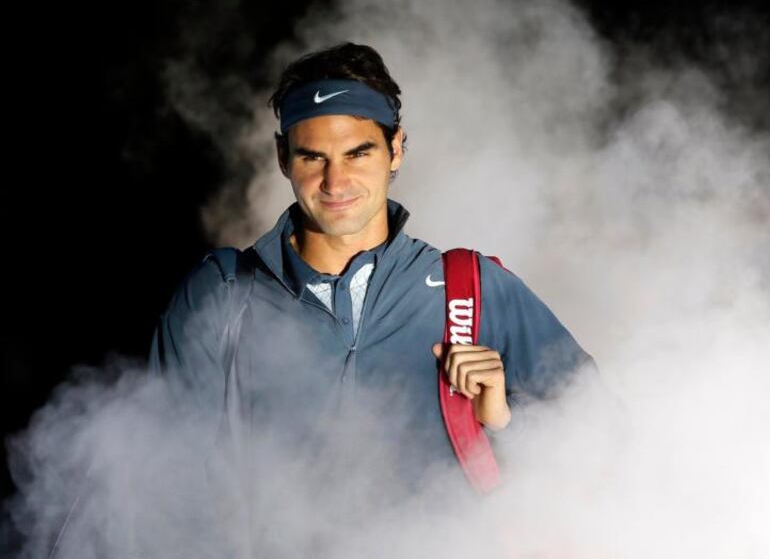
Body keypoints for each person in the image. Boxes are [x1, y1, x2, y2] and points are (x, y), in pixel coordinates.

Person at [147, 42, 597, 514]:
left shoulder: (474, 291)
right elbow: (158, 482)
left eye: (357, 153)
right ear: (283, 157)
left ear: (396, 148)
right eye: (312, 157)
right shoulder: (220, 295)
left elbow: (606, 446)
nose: (335, 182)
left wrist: (505, 422)